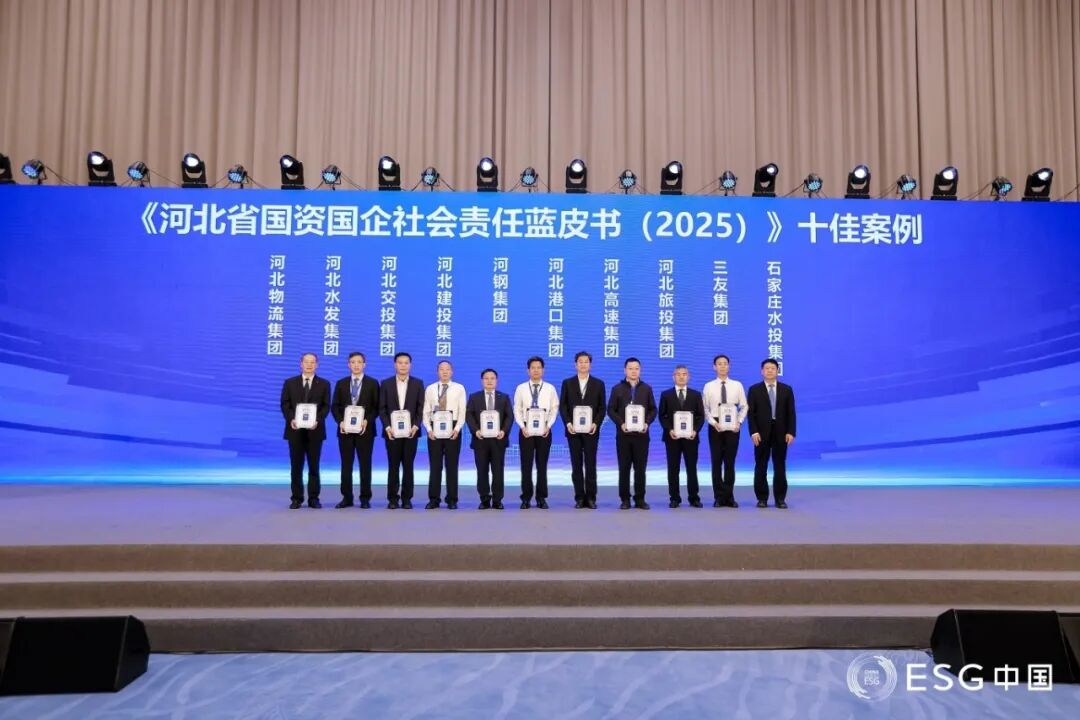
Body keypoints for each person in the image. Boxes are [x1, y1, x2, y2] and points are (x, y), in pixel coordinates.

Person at [279, 352, 331, 509]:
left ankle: (314, 498)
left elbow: (326, 406)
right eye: (306, 362)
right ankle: (296, 498)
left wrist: (317, 420)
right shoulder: (290, 383)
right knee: (296, 466)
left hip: (315, 431)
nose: (309, 365)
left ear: (317, 365)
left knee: (314, 466)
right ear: (301, 364)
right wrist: (291, 419)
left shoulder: (324, 384)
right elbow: (285, 404)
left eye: (312, 362)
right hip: (295, 430)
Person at [330, 352, 380, 508]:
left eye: (359, 362)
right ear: (348, 365)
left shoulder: (372, 383)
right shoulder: (341, 383)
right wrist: (340, 422)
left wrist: (367, 420)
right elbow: (335, 406)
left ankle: (365, 498)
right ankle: (347, 497)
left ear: (364, 364)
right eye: (353, 362)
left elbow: (377, 407)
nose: (356, 365)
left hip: (365, 431)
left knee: (365, 464)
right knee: (346, 465)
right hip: (345, 431)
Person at [607, 357, 657, 510]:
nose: (633, 371)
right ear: (625, 370)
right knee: (624, 468)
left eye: (636, 368)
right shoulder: (617, 388)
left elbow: (653, 409)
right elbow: (611, 410)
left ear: (640, 370)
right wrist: (621, 423)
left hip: (642, 436)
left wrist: (647, 423)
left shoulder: (647, 388)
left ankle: (640, 499)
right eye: (630, 368)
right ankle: (625, 499)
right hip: (624, 435)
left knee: (640, 469)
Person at [558, 351, 606, 509]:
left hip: (591, 431)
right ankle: (579, 497)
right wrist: (568, 423)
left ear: (590, 365)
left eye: (586, 361)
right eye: (580, 361)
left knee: (591, 464)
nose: (583, 364)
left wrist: (596, 424)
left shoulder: (599, 384)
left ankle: (591, 498)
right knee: (576, 465)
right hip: (573, 431)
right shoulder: (567, 383)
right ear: (575, 364)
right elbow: (563, 406)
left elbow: (602, 408)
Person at [746, 358, 796, 509]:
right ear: (762, 371)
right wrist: (753, 432)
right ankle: (762, 498)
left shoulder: (786, 389)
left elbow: (791, 413)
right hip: (761, 433)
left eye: (773, 368)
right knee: (761, 466)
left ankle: (780, 499)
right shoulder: (754, 390)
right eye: (766, 368)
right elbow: (751, 414)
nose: (769, 371)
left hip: (781, 433)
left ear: (777, 371)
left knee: (780, 466)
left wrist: (791, 432)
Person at [378, 352, 424, 509]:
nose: (403, 365)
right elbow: (382, 408)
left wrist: (416, 425)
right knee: (393, 466)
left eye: (406, 363)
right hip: (392, 433)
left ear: (410, 365)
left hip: (411, 432)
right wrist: (387, 427)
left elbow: (421, 408)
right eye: (400, 362)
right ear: (395, 364)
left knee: (408, 466)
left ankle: (406, 499)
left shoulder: (418, 383)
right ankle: (392, 499)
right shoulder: (386, 383)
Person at [702, 354, 748, 508]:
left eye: (725, 363)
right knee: (716, 462)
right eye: (719, 364)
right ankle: (719, 497)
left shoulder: (737, 385)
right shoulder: (708, 386)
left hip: (733, 426)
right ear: (714, 367)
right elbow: (704, 408)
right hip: (715, 426)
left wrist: (739, 422)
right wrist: (713, 422)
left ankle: (729, 497)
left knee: (730, 462)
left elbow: (744, 406)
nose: (722, 366)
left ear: (729, 366)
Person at [513, 356, 559, 509]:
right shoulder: (521, 388)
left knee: (542, 465)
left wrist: (548, 426)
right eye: (533, 368)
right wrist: (522, 426)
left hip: (544, 430)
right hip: (526, 430)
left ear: (543, 370)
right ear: (528, 370)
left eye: (539, 367)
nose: (536, 370)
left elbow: (554, 409)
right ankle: (526, 498)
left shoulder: (550, 388)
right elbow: (517, 409)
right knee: (526, 465)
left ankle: (541, 498)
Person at [465, 368, 514, 509]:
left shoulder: (504, 397)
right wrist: (476, 431)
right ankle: (484, 499)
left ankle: (498, 500)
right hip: (480, 440)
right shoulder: (474, 397)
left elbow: (509, 416)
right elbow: (469, 416)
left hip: (498, 440)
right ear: (482, 381)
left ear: (496, 381)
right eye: (486, 378)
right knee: (482, 470)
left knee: (498, 471)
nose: (489, 381)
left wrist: (504, 431)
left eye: (492, 378)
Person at [658, 364, 705, 508]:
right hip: (672, 438)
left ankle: (694, 498)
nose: (681, 377)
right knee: (673, 469)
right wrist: (669, 429)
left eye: (684, 374)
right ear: (673, 377)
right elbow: (662, 415)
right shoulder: (666, 394)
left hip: (691, 438)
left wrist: (695, 430)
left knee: (692, 468)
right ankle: (674, 498)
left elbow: (700, 416)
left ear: (688, 377)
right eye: (678, 374)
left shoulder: (696, 395)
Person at [422, 360, 467, 509]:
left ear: (452, 372)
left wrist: (457, 429)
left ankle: (452, 499)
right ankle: (434, 499)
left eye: (447, 369)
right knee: (435, 466)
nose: (445, 372)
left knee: (452, 466)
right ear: (437, 372)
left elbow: (462, 411)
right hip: (434, 429)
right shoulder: (430, 389)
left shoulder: (459, 388)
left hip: (453, 429)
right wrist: (429, 429)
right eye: (442, 369)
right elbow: (426, 412)